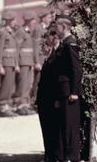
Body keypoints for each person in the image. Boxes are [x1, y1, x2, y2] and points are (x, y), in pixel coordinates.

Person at [54, 14, 82, 162]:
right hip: (62, 91)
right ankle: (66, 157)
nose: (55, 29)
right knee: (63, 126)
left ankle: (73, 157)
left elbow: (76, 69)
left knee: (70, 127)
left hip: (69, 92)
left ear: (63, 27)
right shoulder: (63, 43)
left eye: (56, 26)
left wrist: (74, 92)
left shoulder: (71, 43)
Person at [37, 28, 61, 162]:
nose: (45, 42)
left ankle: (54, 157)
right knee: (46, 130)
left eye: (47, 38)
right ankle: (49, 156)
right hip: (44, 100)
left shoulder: (56, 56)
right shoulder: (49, 55)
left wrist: (57, 98)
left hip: (51, 99)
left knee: (52, 130)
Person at [0, 11, 19, 117]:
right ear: (9, 21)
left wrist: (16, 64)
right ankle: (3, 107)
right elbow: (0, 50)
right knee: (6, 85)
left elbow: (14, 50)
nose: (15, 22)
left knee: (10, 85)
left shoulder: (12, 32)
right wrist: (0, 65)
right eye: (13, 20)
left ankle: (6, 105)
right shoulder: (3, 33)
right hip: (6, 62)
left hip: (11, 62)